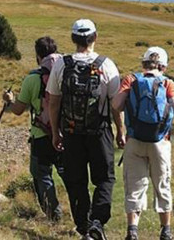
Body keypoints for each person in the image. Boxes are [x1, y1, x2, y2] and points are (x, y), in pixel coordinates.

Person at [47, 19, 126, 240]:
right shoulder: (106, 65)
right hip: (99, 131)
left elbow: (53, 102)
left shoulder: (61, 64)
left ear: (73, 39)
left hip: (71, 132)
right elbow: (115, 105)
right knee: (105, 179)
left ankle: (83, 226)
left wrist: (55, 132)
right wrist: (121, 131)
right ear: (95, 37)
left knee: (76, 180)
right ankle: (98, 223)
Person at [112, 46, 174, 240]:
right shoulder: (168, 83)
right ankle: (166, 231)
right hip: (160, 141)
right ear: (163, 65)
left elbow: (116, 105)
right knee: (162, 184)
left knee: (134, 185)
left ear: (144, 63)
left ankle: (132, 230)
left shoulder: (131, 79)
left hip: (134, 140)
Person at [3, 36, 66, 220]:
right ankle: (82, 212)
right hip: (66, 133)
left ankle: (53, 215)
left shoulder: (32, 79)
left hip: (41, 135)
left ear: (38, 55)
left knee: (41, 174)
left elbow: (18, 110)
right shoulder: (67, 73)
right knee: (70, 174)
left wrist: (9, 100)